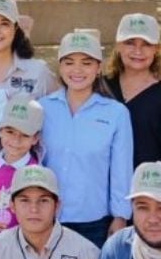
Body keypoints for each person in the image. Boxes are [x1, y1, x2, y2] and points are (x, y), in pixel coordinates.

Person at [39, 31, 133, 248]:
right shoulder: (43, 108)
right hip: (47, 219)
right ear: (60, 67)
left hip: (95, 223)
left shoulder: (116, 113)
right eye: (69, 62)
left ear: (98, 68)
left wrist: (120, 216)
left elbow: (121, 170)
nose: (77, 70)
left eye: (86, 63)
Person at [0, 98, 45, 257]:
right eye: (10, 131)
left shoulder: (36, 176)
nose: (15, 140)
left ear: (35, 138)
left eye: (25, 135)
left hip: (15, 256)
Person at [105, 13, 161, 166]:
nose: (138, 51)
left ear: (156, 49)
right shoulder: (101, 88)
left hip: (149, 184)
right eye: (130, 42)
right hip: (104, 183)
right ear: (118, 46)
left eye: (146, 44)